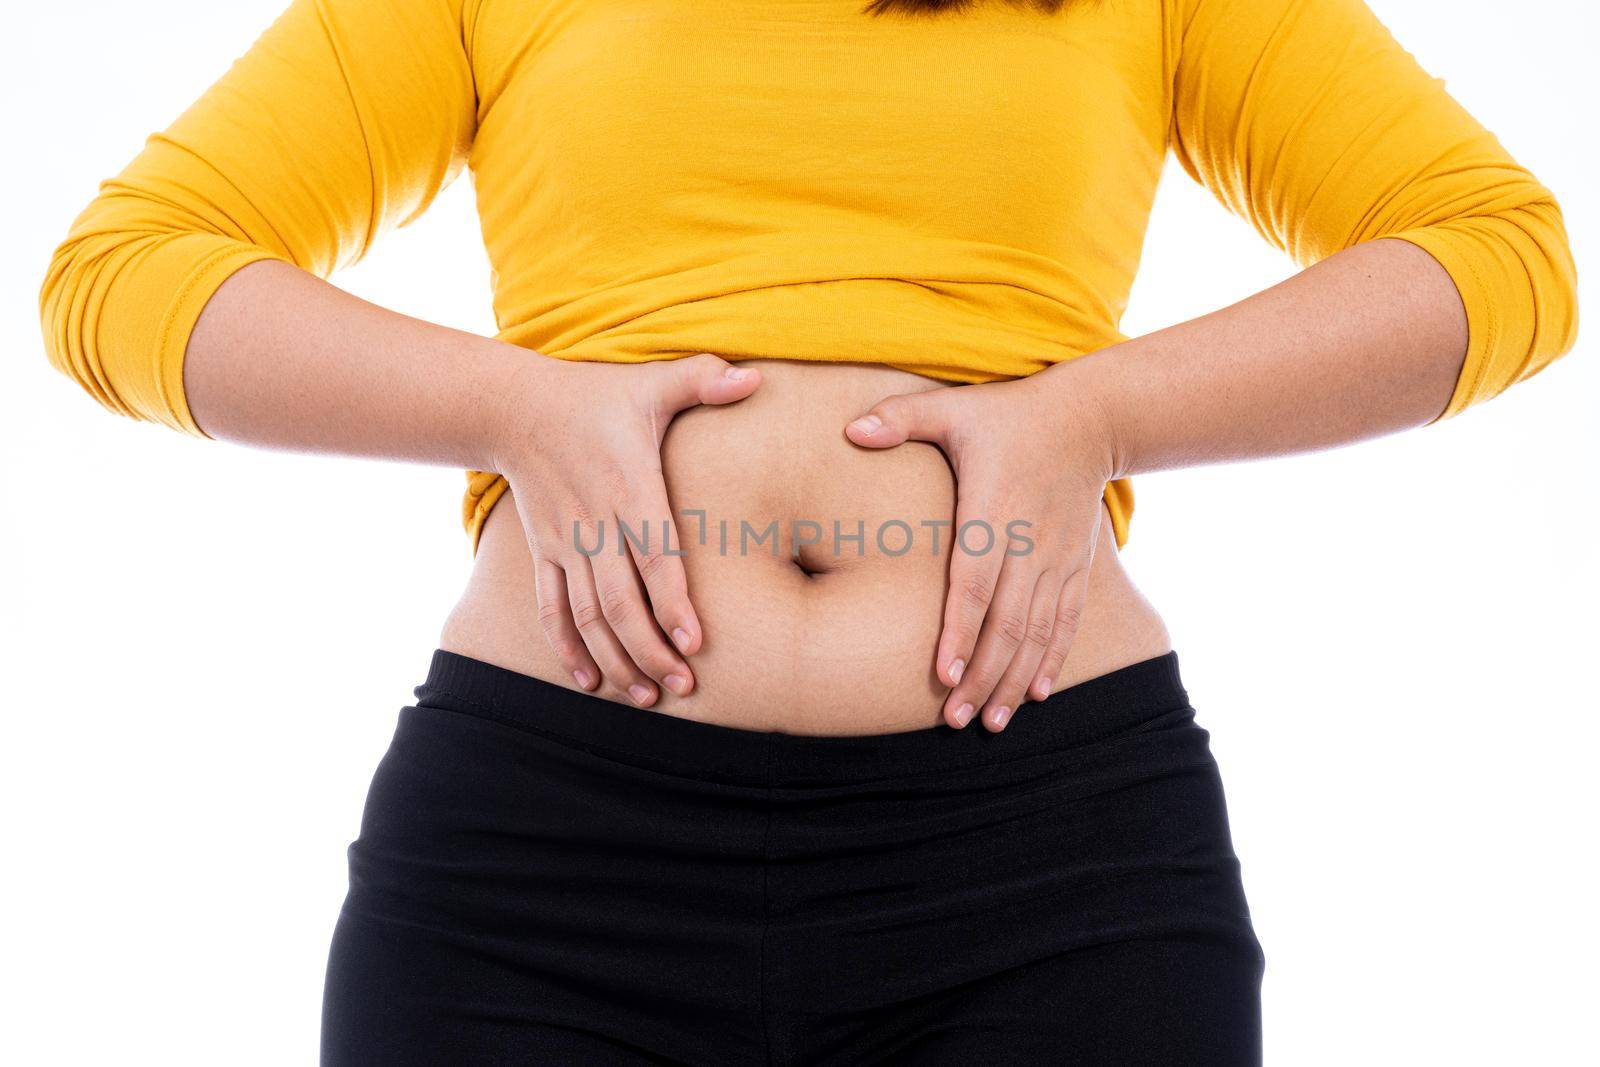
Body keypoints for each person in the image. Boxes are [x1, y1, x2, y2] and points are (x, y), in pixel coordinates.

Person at [39, 0, 1577, 1063]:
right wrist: (514, 411)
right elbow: (125, 274)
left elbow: (1496, 256)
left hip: (1040, 866)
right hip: (547, 870)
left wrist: (1096, 417)